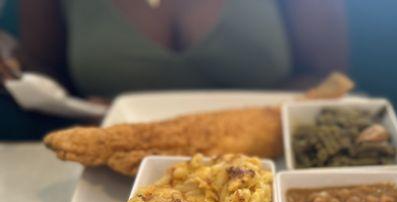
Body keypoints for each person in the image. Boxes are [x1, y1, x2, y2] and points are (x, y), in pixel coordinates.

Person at [2, 0, 348, 139]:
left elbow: (327, 78)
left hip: (276, 157)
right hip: (112, 176)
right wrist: (17, 71)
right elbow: (46, 77)